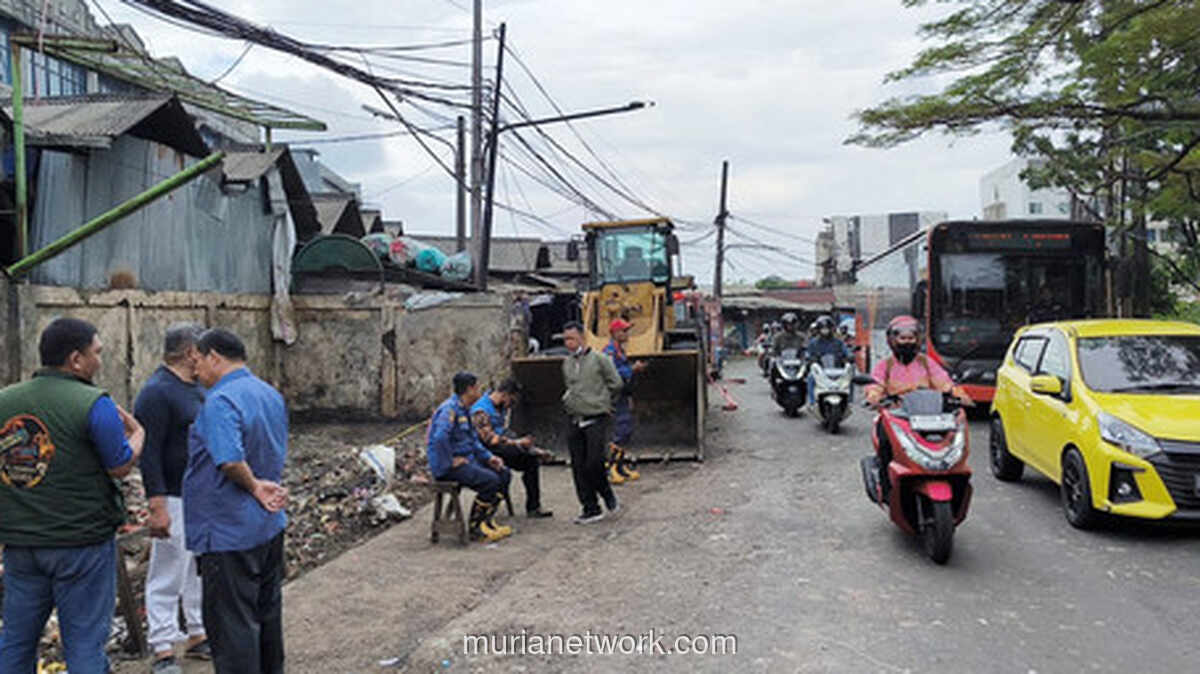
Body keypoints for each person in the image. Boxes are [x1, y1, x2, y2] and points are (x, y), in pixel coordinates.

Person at [0, 317, 145, 673]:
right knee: (83, 647)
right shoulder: (94, 403)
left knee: (16, 643)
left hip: (21, 544)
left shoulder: (5, 400)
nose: (100, 360)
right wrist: (139, 431)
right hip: (81, 545)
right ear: (76, 360)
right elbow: (120, 465)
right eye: (97, 352)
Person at [184, 328, 289, 674]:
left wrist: (253, 485)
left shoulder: (220, 401)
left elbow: (229, 459)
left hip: (229, 532)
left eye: (198, 361)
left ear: (214, 356)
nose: (195, 371)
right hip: (267, 525)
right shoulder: (268, 393)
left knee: (232, 629)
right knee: (266, 616)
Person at [135, 324, 209, 673]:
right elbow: (149, 454)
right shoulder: (157, 393)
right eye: (204, 351)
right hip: (173, 496)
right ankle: (163, 648)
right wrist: (157, 504)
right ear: (191, 352)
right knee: (167, 570)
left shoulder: (194, 388)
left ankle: (197, 632)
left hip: (198, 493)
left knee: (196, 568)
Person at [863, 315, 970, 499]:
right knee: (885, 445)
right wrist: (874, 396)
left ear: (917, 339)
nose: (906, 342)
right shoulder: (885, 365)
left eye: (910, 337)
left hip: (928, 412)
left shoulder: (926, 363)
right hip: (896, 414)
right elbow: (875, 384)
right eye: (902, 338)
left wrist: (957, 393)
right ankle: (886, 486)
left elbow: (943, 381)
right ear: (892, 340)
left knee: (951, 440)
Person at [428, 372, 514, 541]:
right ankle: (476, 527)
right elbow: (439, 438)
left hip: (467, 459)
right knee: (490, 481)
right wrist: (449, 462)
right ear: (470, 389)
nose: (480, 392)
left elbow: (473, 441)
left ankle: (487, 520)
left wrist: (489, 457)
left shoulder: (465, 410)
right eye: (477, 388)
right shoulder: (449, 410)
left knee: (503, 473)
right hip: (448, 467)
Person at [561, 321, 624, 524]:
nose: (568, 343)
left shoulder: (600, 360)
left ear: (582, 337)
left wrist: (605, 402)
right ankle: (590, 507)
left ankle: (606, 493)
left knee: (594, 462)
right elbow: (569, 385)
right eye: (565, 339)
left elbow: (616, 383)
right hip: (574, 417)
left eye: (572, 338)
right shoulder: (567, 363)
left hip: (596, 417)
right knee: (578, 466)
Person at [470, 377, 552, 518]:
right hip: (484, 451)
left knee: (530, 461)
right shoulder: (481, 410)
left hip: (501, 447)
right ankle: (486, 512)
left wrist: (529, 446)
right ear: (505, 394)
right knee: (518, 453)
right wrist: (517, 443)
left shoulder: (499, 408)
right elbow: (490, 439)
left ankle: (534, 507)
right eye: (511, 400)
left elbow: (504, 433)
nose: (511, 405)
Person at [602, 318, 646, 485]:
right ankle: (610, 467)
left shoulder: (620, 351)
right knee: (621, 430)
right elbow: (611, 372)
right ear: (614, 333)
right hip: (614, 396)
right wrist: (631, 369)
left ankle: (620, 466)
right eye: (623, 331)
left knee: (626, 430)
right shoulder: (610, 352)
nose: (626, 334)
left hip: (623, 394)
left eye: (627, 330)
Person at [805, 315, 854, 405]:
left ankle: (849, 400)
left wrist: (849, 356)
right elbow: (808, 353)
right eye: (823, 328)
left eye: (827, 328)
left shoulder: (838, 342)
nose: (825, 330)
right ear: (819, 329)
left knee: (849, 377)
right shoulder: (814, 342)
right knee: (810, 378)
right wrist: (809, 358)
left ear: (831, 328)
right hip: (820, 370)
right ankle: (812, 402)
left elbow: (846, 351)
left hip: (837, 370)